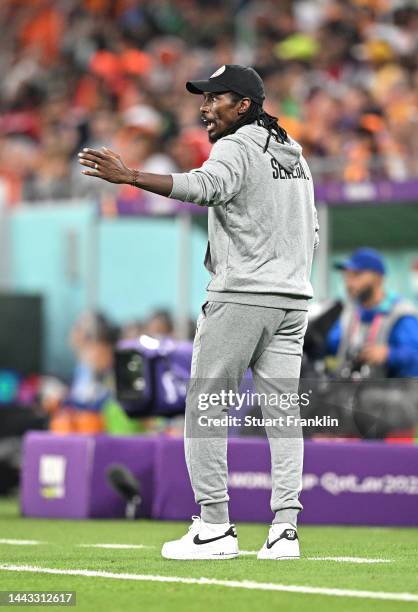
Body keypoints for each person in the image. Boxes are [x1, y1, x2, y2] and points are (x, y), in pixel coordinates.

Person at [78, 64, 319, 560]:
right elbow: (311, 230)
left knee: (206, 407)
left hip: (243, 296)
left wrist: (131, 176)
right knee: (282, 414)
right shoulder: (293, 154)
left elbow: (206, 187)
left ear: (245, 106)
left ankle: (214, 527)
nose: (205, 107)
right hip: (293, 301)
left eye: (216, 98)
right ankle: (285, 530)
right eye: (204, 98)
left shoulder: (235, 146)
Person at [326, 248, 418, 437]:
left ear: (378, 278)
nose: (349, 282)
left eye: (357, 275)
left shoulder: (402, 314)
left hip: (392, 414)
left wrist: (389, 354)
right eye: (347, 276)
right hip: (352, 412)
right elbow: (330, 346)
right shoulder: (349, 314)